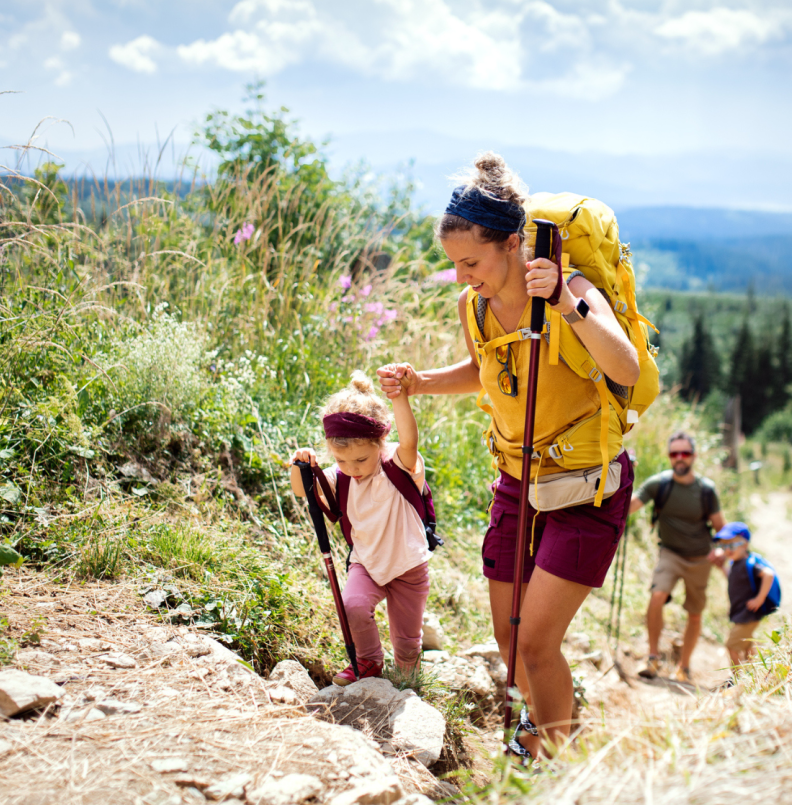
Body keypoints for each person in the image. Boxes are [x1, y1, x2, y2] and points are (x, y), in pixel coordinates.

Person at [377, 152, 639, 762]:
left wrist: (570, 307)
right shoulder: (475, 305)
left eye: (472, 262)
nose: (464, 276)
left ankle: (557, 765)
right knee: (510, 638)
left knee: (539, 642)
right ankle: (547, 732)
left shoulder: (570, 289)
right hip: (517, 481)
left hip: (585, 487)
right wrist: (420, 382)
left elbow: (623, 365)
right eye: (455, 265)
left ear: (513, 244)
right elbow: (485, 370)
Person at [290, 370, 431, 685]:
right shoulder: (339, 478)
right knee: (352, 605)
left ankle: (409, 677)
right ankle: (368, 662)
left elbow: (409, 439)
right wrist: (299, 465)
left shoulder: (397, 464)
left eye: (361, 460)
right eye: (342, 461)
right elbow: (302, 490)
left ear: (381, 443)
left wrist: (399, 397)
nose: (352, 469)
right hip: (366, 561)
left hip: (408, 565)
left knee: (407, 641)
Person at [628, 432, 726, 682]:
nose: (680, 458)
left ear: (693, 456)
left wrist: (721, 549)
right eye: (674, 454)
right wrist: (623, 477)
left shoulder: (706, 490)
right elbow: (629, 506)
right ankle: (652, 658)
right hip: (670, 553)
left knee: (695, 613)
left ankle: (684, 666)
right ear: (669, 457)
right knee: (657, 595)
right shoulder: (658, 484)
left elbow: (721, 529)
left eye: (685, 453)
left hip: (700, 558)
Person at [709, 522, 779, 666]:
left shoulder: (750, 563)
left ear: (745, 545)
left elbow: (768, 575)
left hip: (749, 613)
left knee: (731, 646)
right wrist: (722, 567)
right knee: (747, 644)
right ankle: (754, 672)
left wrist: (759, 599)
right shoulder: (736, 564)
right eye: (724, 546)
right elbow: (733, 580)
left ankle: (738, 678)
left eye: (732, 545)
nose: (728, 550)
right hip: (742, 612)